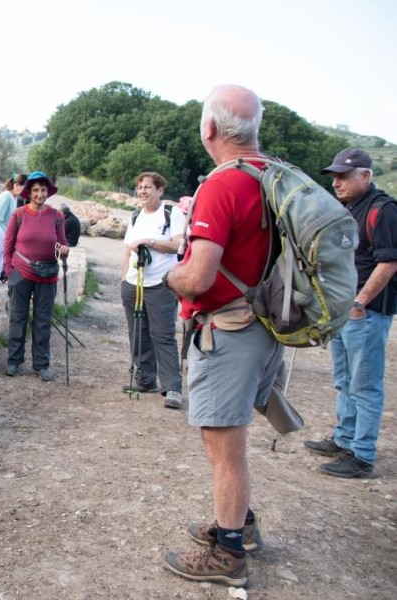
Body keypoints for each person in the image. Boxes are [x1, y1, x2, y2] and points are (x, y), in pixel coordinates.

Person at [162, 85, 284, 587]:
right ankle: (242, 523)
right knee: (227, 438)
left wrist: (171, 275)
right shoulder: (272, 176)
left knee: (225, 444)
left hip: (229, 329)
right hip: (265, 324)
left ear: (209, 129)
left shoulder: (222, 184)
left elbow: (199, 277)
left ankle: (229, 553)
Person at [304, 149, 397, 478]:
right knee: (344, 381)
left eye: (344, 176)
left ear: (365, 176)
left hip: (366, 313)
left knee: (365, 384)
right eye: (334, 176)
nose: (336, 182)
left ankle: (362, 454)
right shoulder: (346, 209)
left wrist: (360, 302)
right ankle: (345, 438)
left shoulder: (383, 210)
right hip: (342, 312)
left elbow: (388, 262)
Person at [120, 172, 185, 409]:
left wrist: (150, 242)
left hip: (160, 284)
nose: (143, 191)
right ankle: (146, 380)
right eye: (139, 188)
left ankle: (173, 388)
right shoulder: (135, 216)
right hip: (133, 283)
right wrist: (123, 280)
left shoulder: (172, 214)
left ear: (160, 190)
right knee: (137, 333)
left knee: (163, 335)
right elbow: (127, 249)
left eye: (148, 187)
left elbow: (177, 245)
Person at [2, 171, 69, 382]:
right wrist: (9, 270)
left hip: (47, 274)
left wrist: (64, 250)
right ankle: (14, 361)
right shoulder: (19, 215)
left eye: (43, 190)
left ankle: (41, 365)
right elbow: (8, 245)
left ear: (48, 192)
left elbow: (63, 242)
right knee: (18, 318)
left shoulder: (57, 217)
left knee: (42, 321)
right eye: (36, 190)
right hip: (20, 272)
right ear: (29, 193)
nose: (40, 194)